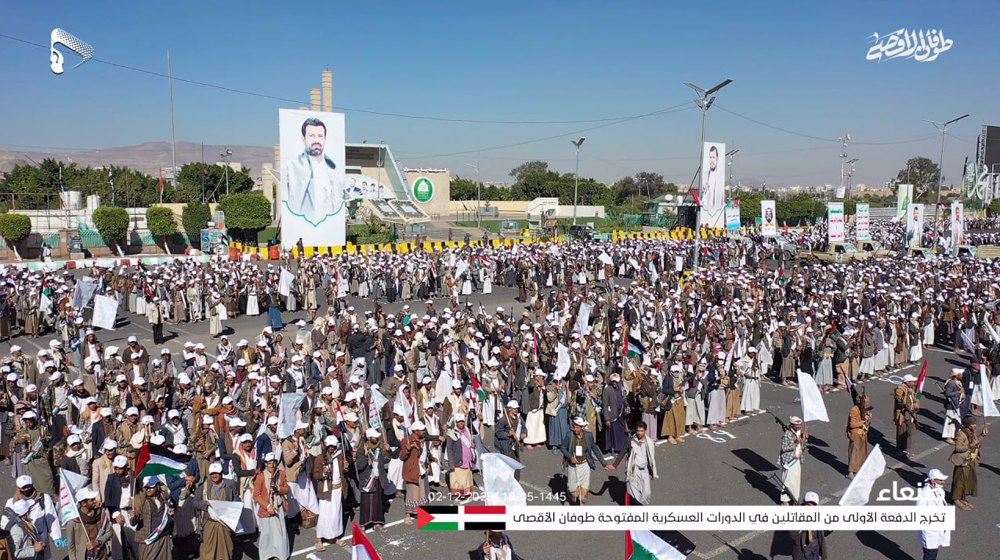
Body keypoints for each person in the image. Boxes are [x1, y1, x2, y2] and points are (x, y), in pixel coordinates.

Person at [283, 117, 341, 224]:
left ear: (325, 139)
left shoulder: (334, 169)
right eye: (311, 136)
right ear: (303, 139)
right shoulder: (291, 168)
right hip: (302, 227)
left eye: (320, 136)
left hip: (329, 229)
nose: (316, 140)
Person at [560, 417, 613, 505]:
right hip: (573, 466)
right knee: (572, 489)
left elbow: (595, 449)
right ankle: (569, 497)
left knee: (584, 488)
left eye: (577, 427)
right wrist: (570, 457)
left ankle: (582, 502)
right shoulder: (570, 435)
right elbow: (563, 447)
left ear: (582, 427)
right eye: (574, 427)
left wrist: (604, 464)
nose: (575, 429)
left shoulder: (588, 436)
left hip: (585, 465)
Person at [194, 462, 238, 560]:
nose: (215, 475)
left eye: (217, 473)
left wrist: (232, 506)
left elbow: (236, 498)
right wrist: (206, 504)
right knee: (207, 548)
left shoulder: (230, 484)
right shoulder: (203, 487)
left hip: (225, 522)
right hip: (209, 521)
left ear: (221, 473)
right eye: (212, 474)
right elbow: (195, 502)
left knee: (226, 546)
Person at [252, 452, 290, 560]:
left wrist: (279, 489)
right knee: (266, 535)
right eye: (269, 463)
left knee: (280, 533)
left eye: (274, 462)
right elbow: (255, 496)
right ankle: (265, 556)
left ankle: (281, 555)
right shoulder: (260, 477)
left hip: (278, 508)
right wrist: (267, 505)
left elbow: (287, 489)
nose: (272, 465)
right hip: (266, 510)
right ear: (266, 464)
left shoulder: (282, 474)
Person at [313, 435, 347, 550]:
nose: (331, 448)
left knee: (336, 513)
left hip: (338, 489)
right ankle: (319, 540)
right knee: (324, 514)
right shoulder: (320, 458)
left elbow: (343, 472)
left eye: (333, 446)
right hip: (326, 490)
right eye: (329, 446)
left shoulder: (340, 456)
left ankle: (334, 536)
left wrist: (346, 467)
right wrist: (323, 473)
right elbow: (315, 475)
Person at [612, 420, 658, 505]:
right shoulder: (630, 441)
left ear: (645, 431)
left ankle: (642, 505)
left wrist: (651, 471)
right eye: (638, 431)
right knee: (634, 492)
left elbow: (651, 458)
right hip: (633, 470)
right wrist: (615, 465)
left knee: (647, 493)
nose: (639, 433)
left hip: (644, 470)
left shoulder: (649, 442)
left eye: (641, 431)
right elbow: (622, 452)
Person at [949, 415, 986, 510]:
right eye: (973, 424)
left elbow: (975, 442)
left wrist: (982, 435)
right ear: (968, 424)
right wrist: (970, 445)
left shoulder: (972, 432)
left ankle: (962, 498)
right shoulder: (961, 434)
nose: (975, 425)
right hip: (962, 461)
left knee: (967, 480)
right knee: (959, 481)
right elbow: (958, 448)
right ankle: (956, 499)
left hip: (970, 460)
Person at [917, 469, 951, 560]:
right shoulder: (925, 493)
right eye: (940, 480)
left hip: (937, 528)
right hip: (930, 530)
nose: (943, 482)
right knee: (930, 554)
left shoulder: (939, 490)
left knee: (932, 553)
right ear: (932, 480)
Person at [791, 491, 829, 560]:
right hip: (802, 555)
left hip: (815, 552)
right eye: (808, 504)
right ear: (804, 502)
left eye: (813, 504)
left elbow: (824, 533)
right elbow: (793, 535)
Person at [778, 416, 807, 505]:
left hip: (797, 459)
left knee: (796, 481)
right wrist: (795, 443)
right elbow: (784, 448)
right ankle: (785, 500)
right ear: (792, 424)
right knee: (787, 480)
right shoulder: (787, 434)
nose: (798, 426)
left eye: (799, 425)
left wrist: (804, 438)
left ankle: (793, 498)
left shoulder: (798, 433)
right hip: (789, 460)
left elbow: (801, 446)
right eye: (796, 425)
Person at [845, 393, 872, 478]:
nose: (866, 405)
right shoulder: (854, 410)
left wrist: (868, 419)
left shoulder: (864, 410)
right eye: (865, 403)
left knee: (862, 451)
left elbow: (867, 423)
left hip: (862, 432)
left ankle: (858, 469)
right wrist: (863, 421)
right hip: (855, 433)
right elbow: (852, 425)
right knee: (854, 452)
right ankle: (851, 472)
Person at [894, 374, 920, 458]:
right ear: (907, 382)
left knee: (909, 432)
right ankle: (900, 449)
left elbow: (916, 397)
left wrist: (916, 402)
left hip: (910, 414)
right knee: (901, 432)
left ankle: (908, 450)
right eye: (912, 381)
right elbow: (900, 401)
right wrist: (907, 394)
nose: (914, 383)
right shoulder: (899, 390)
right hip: (902, 414)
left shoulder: (911, 389)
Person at [701, 144, 725, 225]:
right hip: (706, 210)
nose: (712, 160)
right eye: (710, 157)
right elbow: (702, 197)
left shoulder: (721, 175)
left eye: (713, 157)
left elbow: (721, 196)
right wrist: (704, 190)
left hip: (717, 210)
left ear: (717, 158)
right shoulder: (704, 175)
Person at [942, 368, 965, 443]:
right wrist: (958, 392)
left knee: (957, 421)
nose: (962, 375)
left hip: (956, 404)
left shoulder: (958, 382)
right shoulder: (951, 383)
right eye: (960, 374)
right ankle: (948, 437)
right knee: (950, 421)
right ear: (956, 375)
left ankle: (955, 435)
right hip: (951, 405)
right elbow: (947, 394)